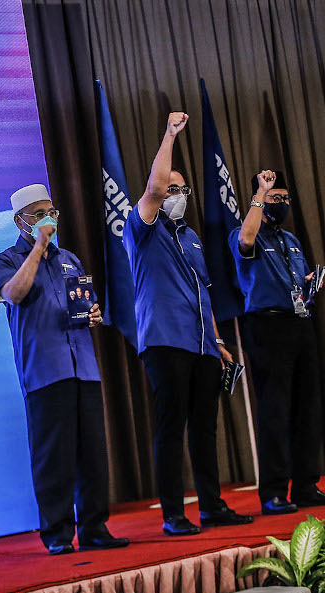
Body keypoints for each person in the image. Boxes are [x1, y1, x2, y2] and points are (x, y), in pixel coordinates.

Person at [123, 112, 253, 535]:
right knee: (170, 427)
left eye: (182, 189)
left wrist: (217, 340)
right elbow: (154, 188)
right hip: (164, 342)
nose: (176, 194)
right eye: (172, 189)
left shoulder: (191, 235)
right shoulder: (142, 228)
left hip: (201, 345)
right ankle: (173, 516)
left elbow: (203, 291)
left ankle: (212, 507)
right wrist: (169, 135)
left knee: (204, 427)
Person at [0, 184, 129, 555]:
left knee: (93, 453)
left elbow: (85, 301)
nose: (48, 220)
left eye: (52, 212)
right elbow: (14, 294)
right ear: (20, 221)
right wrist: (38, 247)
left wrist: (94, 313)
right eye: (39, 214)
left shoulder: (70, 258)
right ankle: (56, 533)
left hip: (83, 366)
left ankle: (95, 527)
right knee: (54, 456)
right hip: (44, 371)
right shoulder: (4, 260)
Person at [229, 169, 325, 514]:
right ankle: (273, 491)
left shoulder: (292, 240)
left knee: (307, 408)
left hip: (300, 323)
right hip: (267, 326)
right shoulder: (244, 232)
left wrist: (308, 283)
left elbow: (296, 278)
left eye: (283, 198)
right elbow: (247, 239)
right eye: (274, 198)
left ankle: (305, 484)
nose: (280, 203)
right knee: (275, 410)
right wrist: (260, 192)